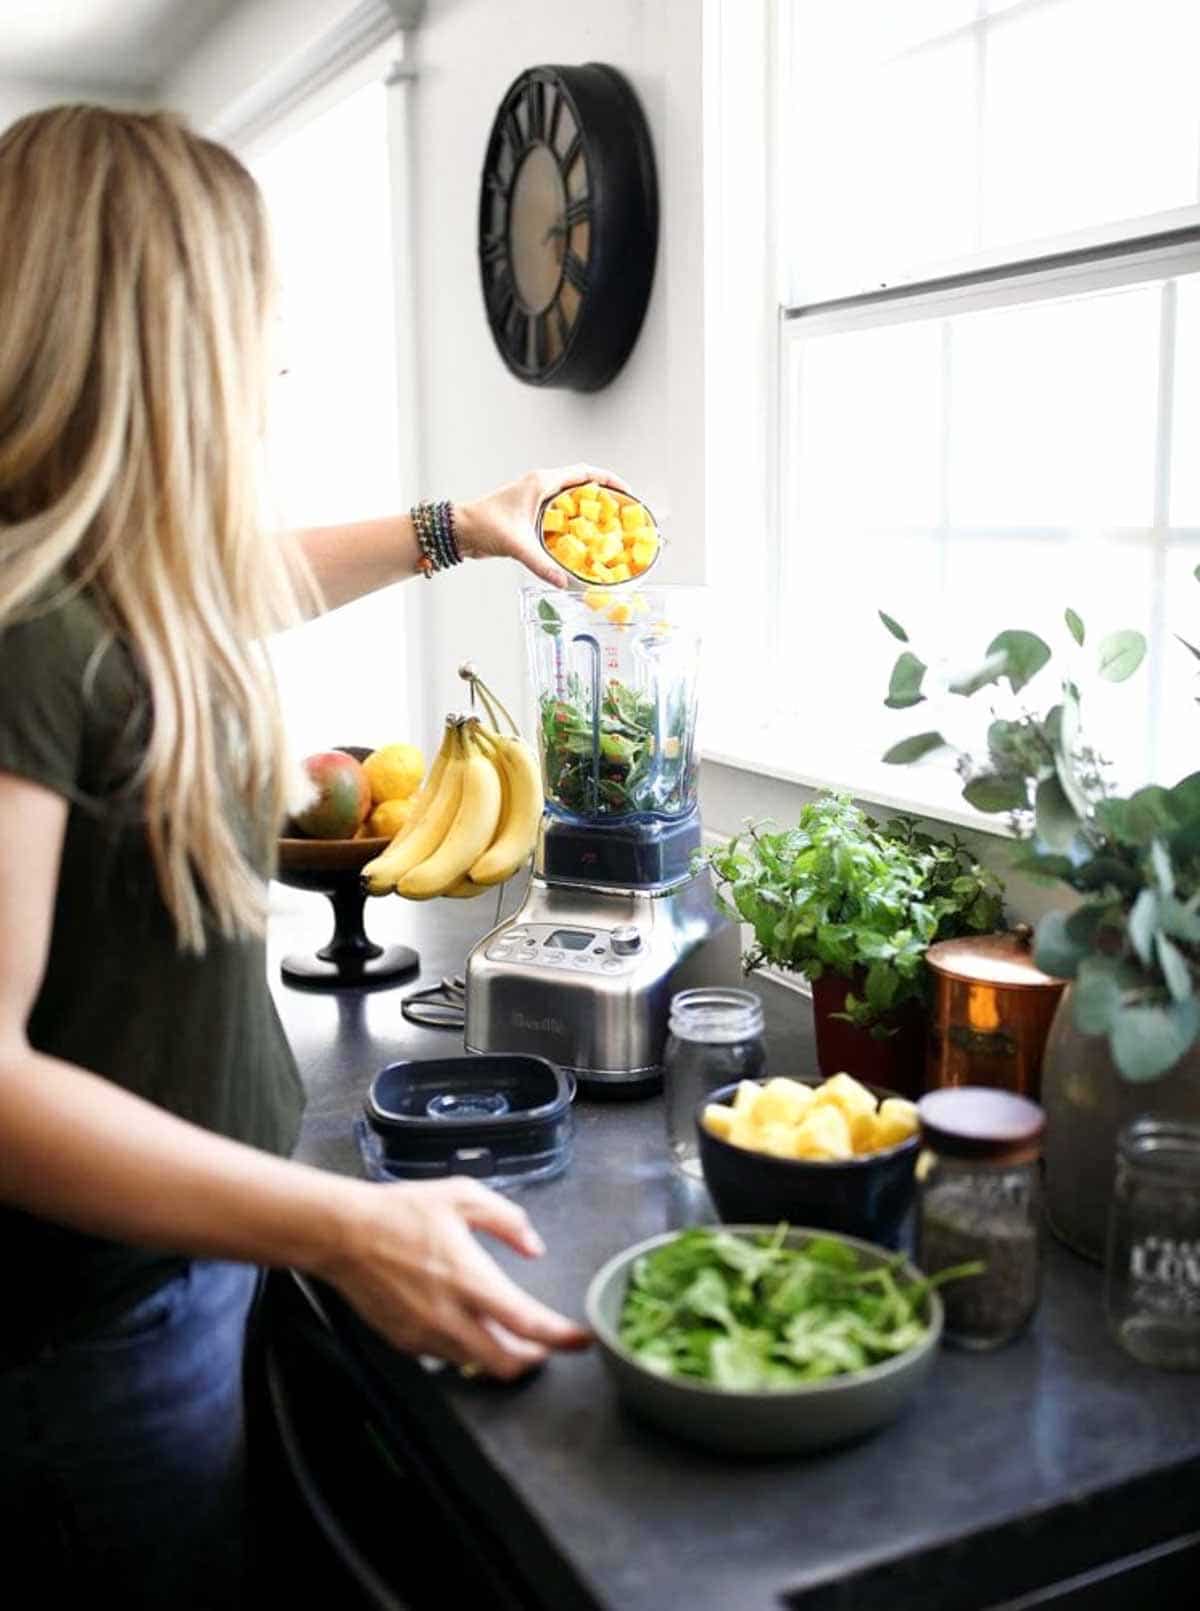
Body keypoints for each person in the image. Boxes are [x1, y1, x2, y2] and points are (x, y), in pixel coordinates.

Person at [0, 104, 602, 1605]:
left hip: (181, 1263)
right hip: (93, 1328)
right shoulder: (26, 638)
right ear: (162, 341)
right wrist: (342, 1222)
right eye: (252, 331)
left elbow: (214, 593)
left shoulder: (85, 587)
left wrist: (455, 528)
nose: (270, 372)